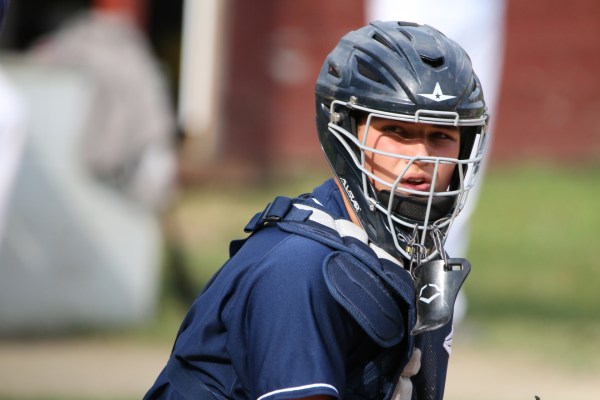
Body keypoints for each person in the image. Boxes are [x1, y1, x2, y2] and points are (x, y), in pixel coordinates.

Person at [145, 21, 489, 400]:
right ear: (346, 134)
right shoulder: (300, 269)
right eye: (397, 132)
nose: (421, 156)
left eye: (440, 135)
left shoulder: (416, 259)